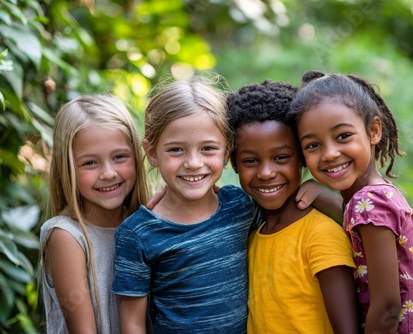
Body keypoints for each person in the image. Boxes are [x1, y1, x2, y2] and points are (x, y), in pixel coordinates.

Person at [112, 75, 341, 333]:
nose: (193, 163)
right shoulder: (137, 234)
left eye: (207, 148)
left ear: (227, 151)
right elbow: (132, 323)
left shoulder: (240, 206)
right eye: (176, 150)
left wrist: (320, 192)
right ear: (152, 153)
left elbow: (281, 200)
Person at [291, 70, 413, 334]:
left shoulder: (369, 203)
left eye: (343, 136)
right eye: (312, 145)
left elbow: (387, 307)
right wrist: (318, 193)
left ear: (374, 131)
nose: (329, 153)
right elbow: (352, 216)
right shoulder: (378, 195)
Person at [227, 79, 359, 334]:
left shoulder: (319, 235)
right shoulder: (251, 234)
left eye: (281, 158)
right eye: (250, 160)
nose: (266, 173)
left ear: (302, 157)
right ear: (234, 164)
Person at [40, 94, 150, 333]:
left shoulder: (147, 223)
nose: (108, 173)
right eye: (90, 163)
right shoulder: (67, 236)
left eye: (119, 157)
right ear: (66, 167)